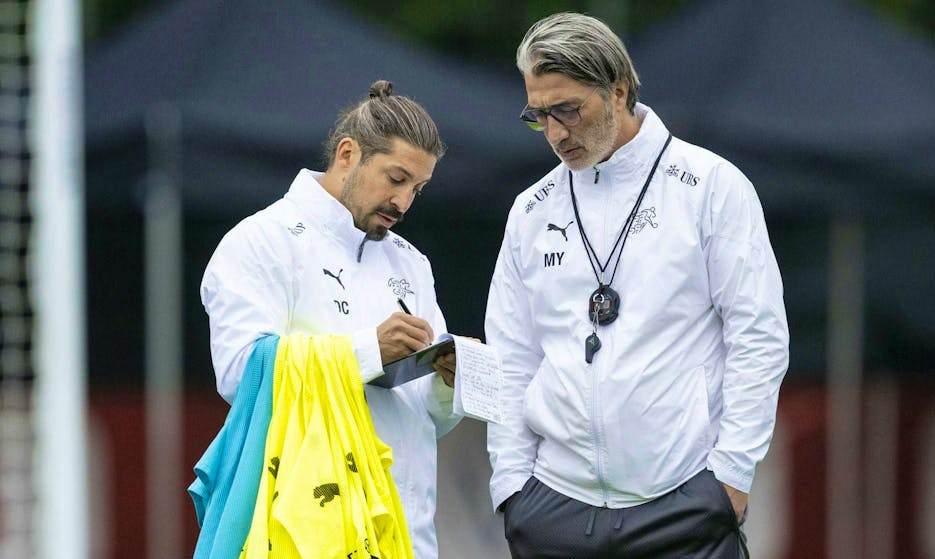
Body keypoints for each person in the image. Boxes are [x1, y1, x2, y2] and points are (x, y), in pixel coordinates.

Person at [485, 13, 789, 559]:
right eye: (538, 116)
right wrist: (511, 487)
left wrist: (732, 479)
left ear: (618, 90)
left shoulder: (712, 187)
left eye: (568, 110)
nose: (555, 133)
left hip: (685, 501)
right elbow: (510, 356)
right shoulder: (530, 209)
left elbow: (759, 336)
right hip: (551, 506)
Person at [200, 80, 461, 559]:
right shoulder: (260, 241)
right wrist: (365, 352)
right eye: (396, 178)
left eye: (417, 189)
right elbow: (240, 374)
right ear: (347, 153)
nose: (403, 203)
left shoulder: (412, 263)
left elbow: (425, 421)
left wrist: (448, 383)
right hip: (303, 533)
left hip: (408, 533)